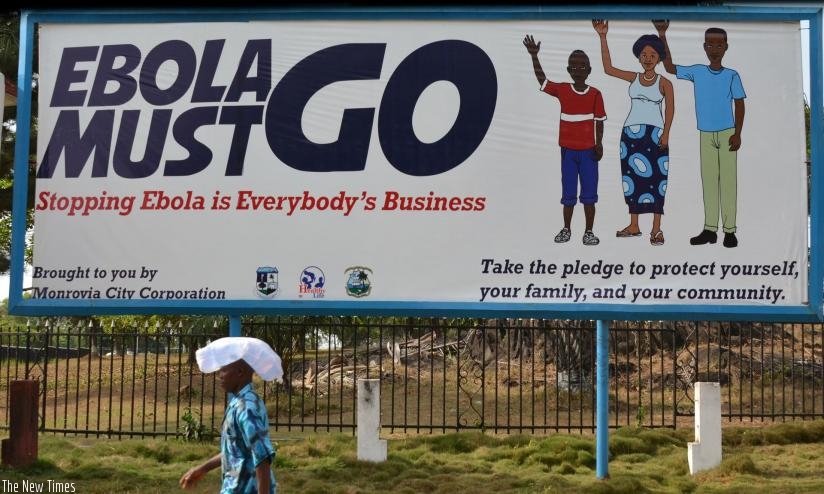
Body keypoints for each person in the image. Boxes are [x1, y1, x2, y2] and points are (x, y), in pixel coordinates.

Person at [653, 20, 746, 248]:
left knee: (728, 182)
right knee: (709, 183)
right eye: (710, 45)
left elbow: (740, 104)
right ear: (705, 47)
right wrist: (662, 34)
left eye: (719, 45)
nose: (714, 49)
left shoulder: (731, 75)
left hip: (727, 133)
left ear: (726, 47)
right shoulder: (697, 71)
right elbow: (669, 67)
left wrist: (738, 133)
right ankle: (710, 229)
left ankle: (730, 230)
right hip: (705, 134)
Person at [592, 20, 674, 246]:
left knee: (658, 179)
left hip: (655, 133)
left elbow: (670, 110)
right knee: (632, 179)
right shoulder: (634, 78)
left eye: (653, 54)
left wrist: (666, 134)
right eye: (644, 54)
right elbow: (609, 69)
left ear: (659, 58)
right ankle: (634, 224)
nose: (648, 58)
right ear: (639, 57)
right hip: (631, 133)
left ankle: (656, 229)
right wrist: (602, 37)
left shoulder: (664, 82)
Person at [524, 34, 607, 246]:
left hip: (589, 152)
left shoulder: (595, 94)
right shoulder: (562, 90)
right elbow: (543, 81)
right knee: (568, 193)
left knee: (589, 195)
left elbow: (599, 121)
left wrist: (599, 144)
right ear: (569, 70)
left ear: (589, 70)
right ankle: (567, 229)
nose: (578, 70)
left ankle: (588, 232)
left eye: (583, 67)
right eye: (574, 67)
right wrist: (534, 56)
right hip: (568, 152)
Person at [180, 336, 283, 494]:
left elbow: (262, 456)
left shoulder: (247, 408)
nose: (219, 375)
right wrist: (201, 469)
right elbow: (235, 450)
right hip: (235, 486)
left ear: (240, 372)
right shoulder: (240, 402)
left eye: (224, 370)